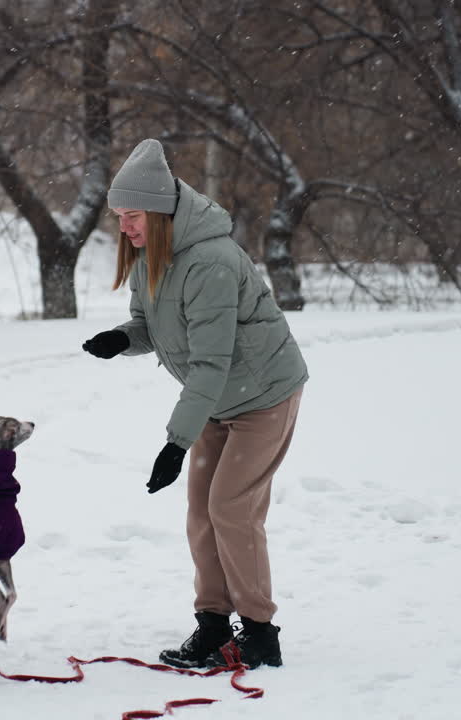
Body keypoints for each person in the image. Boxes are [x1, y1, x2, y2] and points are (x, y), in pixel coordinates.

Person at [82, 138, 308, 670]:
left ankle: (258, 632)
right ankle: (212, 625)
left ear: (160, 212)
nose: (124, 228)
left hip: (263, 397)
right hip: (217, 400)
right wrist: (122, 338)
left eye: (132, 216)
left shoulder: (211, 262)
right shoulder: (150, 258)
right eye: (118, 217)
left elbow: (211, 362)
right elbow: (148, 325)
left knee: (231, 507)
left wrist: (174, 444)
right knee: (201, 514)